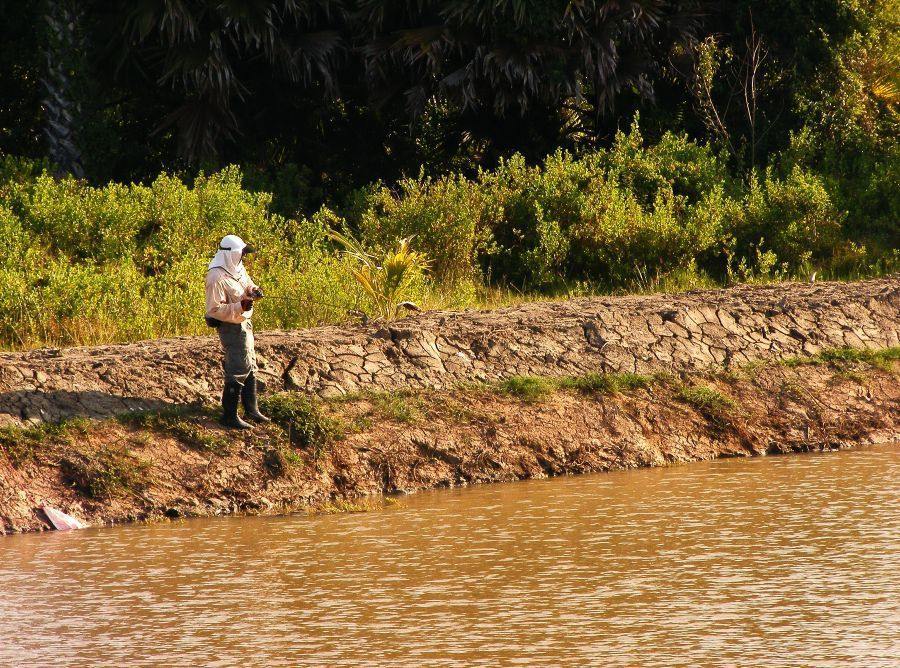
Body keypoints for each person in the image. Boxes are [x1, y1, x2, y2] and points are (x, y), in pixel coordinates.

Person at [205, 234, 270, 429]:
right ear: (232, 254)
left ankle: (252, 410)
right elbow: (213, 310)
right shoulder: (216, 277)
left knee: (250, 364)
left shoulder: (237, 268)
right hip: (231, 327)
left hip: (244, 323)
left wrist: (254, 290)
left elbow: (247, 283)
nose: (243, 257)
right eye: (241, 253)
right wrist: (239, 307)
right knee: (238, 368)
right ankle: (229, 415)